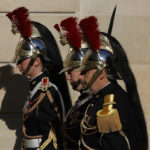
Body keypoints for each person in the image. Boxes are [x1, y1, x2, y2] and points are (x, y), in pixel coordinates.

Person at [78, 16, 148, 150]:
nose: (82, 77)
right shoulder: (99, 100)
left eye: (85, 72)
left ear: (101, 74)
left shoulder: (111, 106)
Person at [7, 7, 71, 150]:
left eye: (22, 59)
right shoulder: (34, 90)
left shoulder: (49, 90)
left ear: (36, 61)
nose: (18, 64)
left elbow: (60, 131)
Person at [54, 17, 91, 150]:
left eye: (70, 72)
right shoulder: (82, 99)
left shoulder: (93, 102)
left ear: (82, 71)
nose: (68, 78)